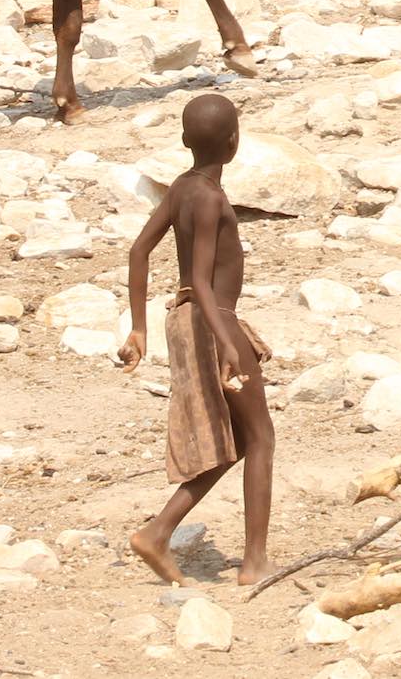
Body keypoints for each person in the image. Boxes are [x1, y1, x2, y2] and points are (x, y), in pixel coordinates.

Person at [116, 92, 275, 585]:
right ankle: (254, 563)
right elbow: (204, 282)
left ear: (186, 142)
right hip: (214, 322)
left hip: (185, 320)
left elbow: (139, 252)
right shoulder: (208, 197)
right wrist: (229, 345)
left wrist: (138, 327)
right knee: (261, 439)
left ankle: (158, 533)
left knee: (239, 442)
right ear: (234, 143)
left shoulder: (183, 187)